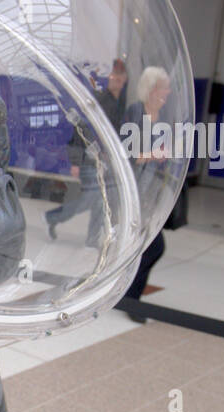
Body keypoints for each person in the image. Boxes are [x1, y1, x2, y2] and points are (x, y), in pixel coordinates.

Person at [45, 58, 128, 244]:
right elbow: (81, 128)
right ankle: (53, 217)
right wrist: (75, 161)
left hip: (102, 161)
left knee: (98, 200)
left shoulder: (119, 103)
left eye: (120, 75)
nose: (117, 79)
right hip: (88, 158)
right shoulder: (101, 101)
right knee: (91, 198)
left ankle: (92, 239)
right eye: (114, 75)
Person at [119, 65, 175, 319]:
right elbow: (125, 152)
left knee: (146, 246)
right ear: (152, 90)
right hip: (135, 189)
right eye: (164, 87)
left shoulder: (161, 116)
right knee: (153, 247)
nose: (167, 92)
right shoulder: (135, 112)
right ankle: (131, 299)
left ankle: (129, 296)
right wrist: (152, 155)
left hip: (154, 190)